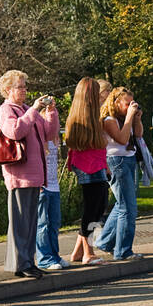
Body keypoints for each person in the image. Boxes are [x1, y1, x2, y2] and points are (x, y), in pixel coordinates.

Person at [0, 70, 50, 279]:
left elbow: (49, 131)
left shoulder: (27, 109)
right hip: (19, 175)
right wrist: (34, 110)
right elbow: (15, 131)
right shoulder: (6, 110)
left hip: (35, 174)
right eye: (20, 86)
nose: (24, 90)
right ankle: (20, 263)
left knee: (31, 222)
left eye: (25, 86)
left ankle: (29, 260)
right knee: (20, 222)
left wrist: (50, 112)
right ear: (8, 90)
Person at [63, 78, 109, 266]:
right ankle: (88, 252)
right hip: (89, 165)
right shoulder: (84, 117)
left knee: (98, 206)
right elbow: (90, 142)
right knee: (93, 209)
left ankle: (78, 251)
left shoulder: (86, 114)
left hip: (95, 164)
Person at [94, 86, 143, 260]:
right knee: (128, 208)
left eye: (132, 102)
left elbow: (138, 134)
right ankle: (123, 251)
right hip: (117, 162)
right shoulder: (109, 120)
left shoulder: (125, 119)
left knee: (123, 204)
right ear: (116, 102)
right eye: (127, 103)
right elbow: (122, 139)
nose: (130, 106)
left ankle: (105, 242)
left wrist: (136, 118)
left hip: (128, 160)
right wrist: (130, 116)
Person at [34, 98, 69, 270]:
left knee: (54, 222)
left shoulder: (54, 139)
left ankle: (55, 254)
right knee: (43, 223)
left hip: (54, 185)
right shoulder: (40, 140)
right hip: (43, 185)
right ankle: (44, 257)